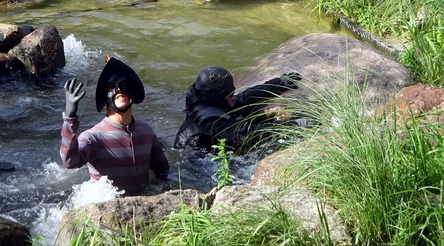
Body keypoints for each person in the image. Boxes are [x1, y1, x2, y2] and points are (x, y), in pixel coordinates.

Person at [60, 57, 170, 194]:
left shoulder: (146, 131)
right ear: (104, 97)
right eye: (112, 88)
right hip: (110, 209)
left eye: (124, 86)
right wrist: (70, 118)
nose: (119, 90)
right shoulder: (93, 137)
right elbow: (69, 162)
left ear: (132, 94)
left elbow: (164, 172)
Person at [173, 67, 301, 152]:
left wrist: (277, 83)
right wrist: (294, 127)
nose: (233, 97)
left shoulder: (207, 100)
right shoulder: (210, 120)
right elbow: (249, 134)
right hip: (196, 163)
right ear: (217, 96)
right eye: (229, 95)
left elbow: (244, 99)